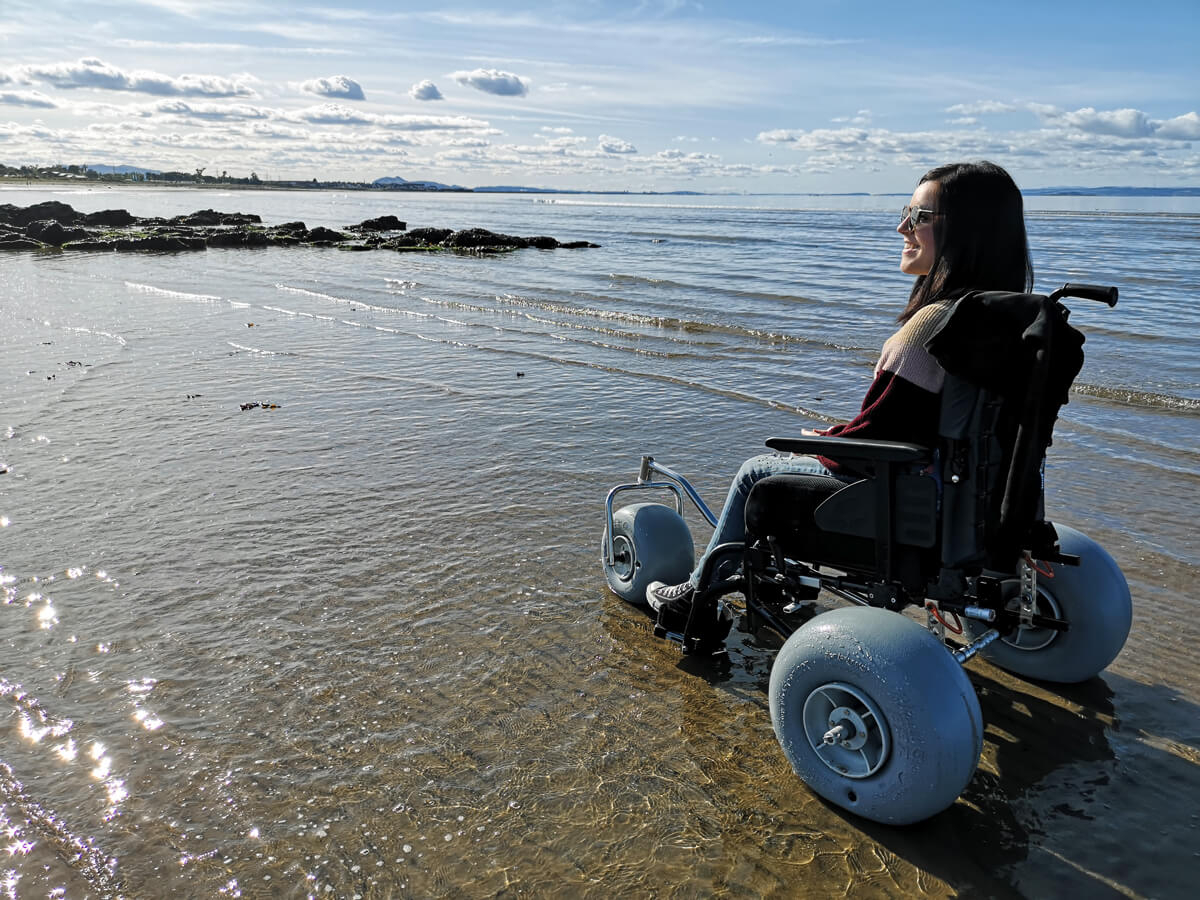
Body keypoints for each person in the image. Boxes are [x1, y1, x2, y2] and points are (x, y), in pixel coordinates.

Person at [646, 160, 1034, 630]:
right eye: (906, 213)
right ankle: (774, 578)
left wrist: (826, 442)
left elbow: (881, 436)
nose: (901, 227)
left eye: (918, 217)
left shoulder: (933, 326)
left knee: (756, 472)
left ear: (966, 231)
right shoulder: (1013, 323)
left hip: (914, 508)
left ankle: (695, 596)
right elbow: (914, 421)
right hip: (977, 502)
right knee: (815, 448)